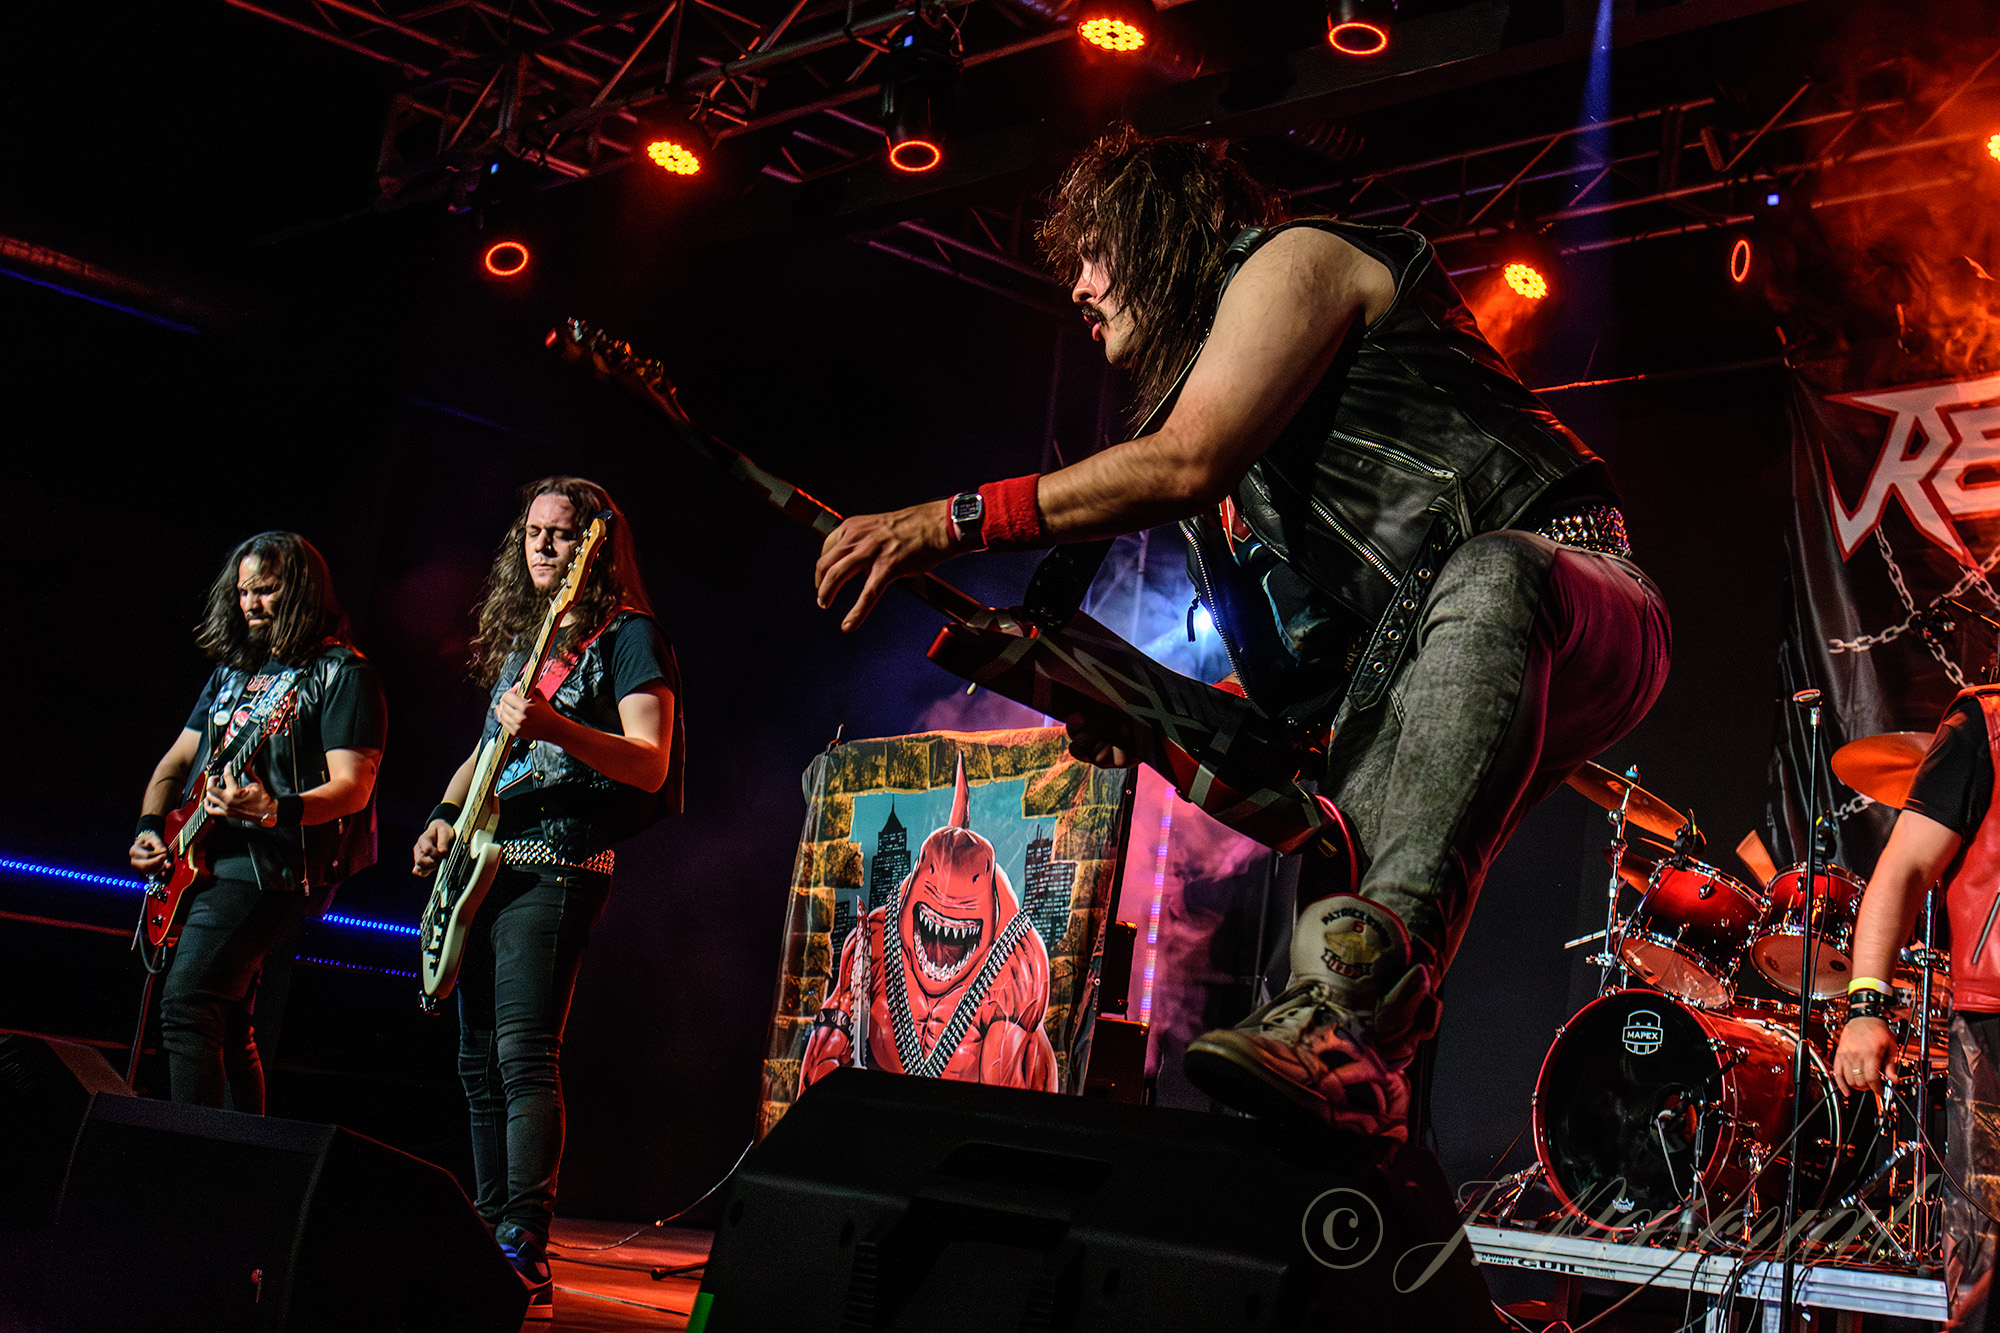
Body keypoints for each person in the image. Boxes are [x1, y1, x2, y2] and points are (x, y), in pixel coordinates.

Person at [813, 125, 1670, 1144]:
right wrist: (1144, 712)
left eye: (1093, 252)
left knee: (1490, 575)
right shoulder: (1234, 489)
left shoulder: (1295, 258)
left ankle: (1353, 1012)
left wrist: (949, 521)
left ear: (1157, 233)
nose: (1078, 288)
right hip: (1415, 671)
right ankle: (1357, 1089)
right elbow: (1295, 724)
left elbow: (1185, 462)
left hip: (1575, 583)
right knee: (1315, 996)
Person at [413, 476, 683, 1319]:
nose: (542, 546)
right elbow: (486, 749)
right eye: (533, 532)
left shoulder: (629, 635)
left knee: (526, 1052)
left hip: (562, 863)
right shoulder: (532, 642)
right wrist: (444, 814)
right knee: (475, 1058)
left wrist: (557, 726)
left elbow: (650, 760)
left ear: (595, 546)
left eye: (562, 534)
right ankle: (486, 1223)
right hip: (489, 864)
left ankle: (523, 1241)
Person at [128, 531, 385, 1112]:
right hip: (201, 858)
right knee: (226, 1021)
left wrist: (274, 808)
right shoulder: (233, 671)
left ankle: (194, 1150)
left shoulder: (343, 673)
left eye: (265, 590)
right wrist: (149, 826)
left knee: (187, 1004)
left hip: (271, 867)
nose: (250, 603)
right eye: (243, 591)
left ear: (302, 592)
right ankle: (246, 1150)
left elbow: (353, 786)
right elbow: (176, 761)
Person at [1835, 686, 2000, 1329]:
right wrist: (1865, 1005)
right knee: (1989, 1266)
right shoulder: (1984, 725)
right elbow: (1902, 869)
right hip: (1995, 1023)